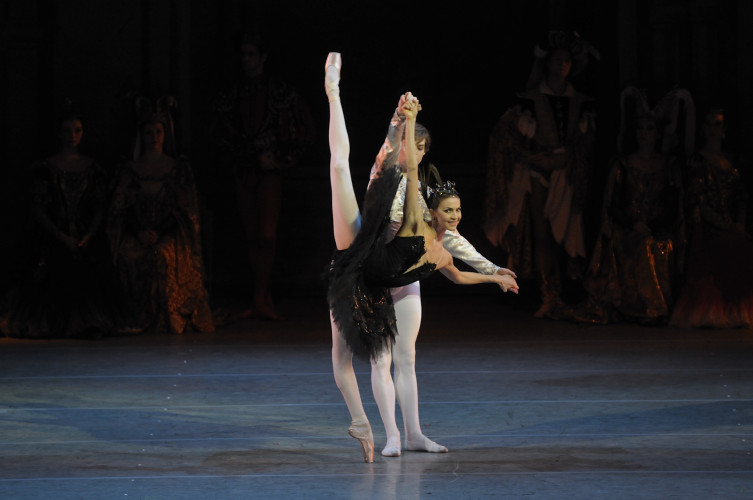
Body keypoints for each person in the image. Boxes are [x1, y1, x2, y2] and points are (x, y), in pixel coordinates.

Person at [324, 53, 519, 462]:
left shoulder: (428, 197)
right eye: (416, 146)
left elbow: (452, 241)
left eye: (424, 147)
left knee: (406, 357)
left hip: (404, 271)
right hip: (368, 258)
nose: (419, 152)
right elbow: (395, 150)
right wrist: (400, 119)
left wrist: (492, 269)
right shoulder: (386, 170)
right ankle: (391, 434)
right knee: (374, 357)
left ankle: (412, 433)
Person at [484, 30, 598, 319]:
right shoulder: (531, 100)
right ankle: (549, 295)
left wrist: (569, 159)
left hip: (567, 174)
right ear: (548, 63)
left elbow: (585, 143)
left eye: (567, 60)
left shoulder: (581, 102)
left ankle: (562, 293)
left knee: (565, 234)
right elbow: (508, 136)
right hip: (536, 173)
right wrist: (535, 157)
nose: (562, 65)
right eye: (558, 59)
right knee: (543, 234)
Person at [1, 109, 137, 338]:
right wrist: (62, 236)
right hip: (54, 235)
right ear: (58, 133)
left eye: (77, 130)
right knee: (57, 268)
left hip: (86, 236)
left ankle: (90, 323)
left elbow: (99, 208)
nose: (72, 136)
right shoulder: (45, 168)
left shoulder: (93, 169)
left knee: (90, 268)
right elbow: (39, 210)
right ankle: (62, 323)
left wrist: (87, 236)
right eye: (67, 131)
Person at [210, 31, 315, 321]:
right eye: (243, 54)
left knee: (267, 235)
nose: (246, 60)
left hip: (269, 173)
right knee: (251, 234)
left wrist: (278, 159)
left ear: (263, 57)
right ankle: (260, 295)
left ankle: (261, 295)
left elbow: (303, 131)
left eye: (251, 54)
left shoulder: (279, 92)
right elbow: (219, 134)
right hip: (243, 171)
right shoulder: (231, 94)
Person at [566, 87, 688, 325]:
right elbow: (613, 204)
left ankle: (656, 308)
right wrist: (634, 223)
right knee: (639, 244)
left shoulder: (668, 165)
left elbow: (673, 205)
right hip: (628, 227)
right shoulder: (623, 164)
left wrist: (652, 225)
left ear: (658, 133)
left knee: (656, 246)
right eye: (640, 128)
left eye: (649, 129)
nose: (644, 134)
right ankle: (636, 307)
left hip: (657, 228)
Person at [108, 97, 214, 334]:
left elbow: (184, 210)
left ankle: (168, 316)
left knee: (162, 256)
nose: (154, 137)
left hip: (168, 232)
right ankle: (134, 317)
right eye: (148, 132)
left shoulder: (176, 168)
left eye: (158, 131)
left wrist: (159, 231)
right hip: (138, 231)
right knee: (127, 255)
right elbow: (121, 208)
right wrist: (139, 231)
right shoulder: (131, 170)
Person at [670, 107, 753, 329]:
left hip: (733, 225)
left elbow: (742, 198)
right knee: (732, 246)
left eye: (717, 124)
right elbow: (700, 204)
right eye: (708, 124)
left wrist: (740, 224)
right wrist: (728, 226)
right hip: (709, 227)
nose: (712, 129)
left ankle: (739, 310)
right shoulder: (698, 162)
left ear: (724, 129)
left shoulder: (734, 162)